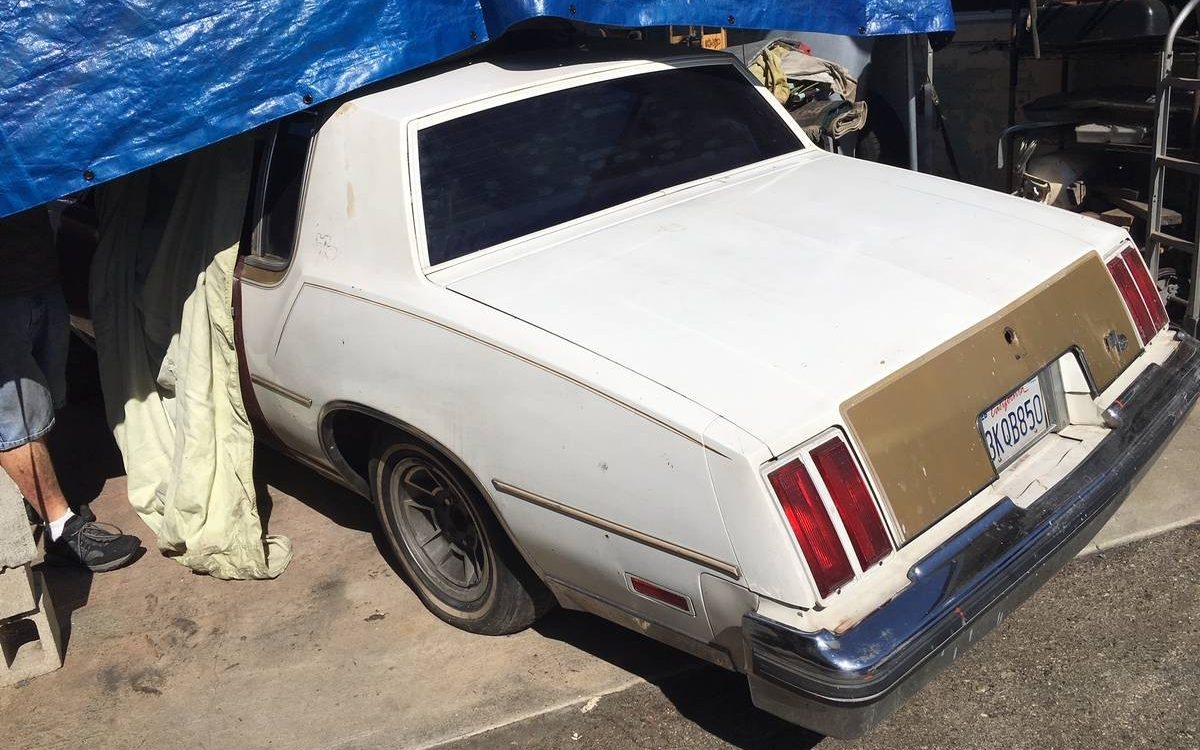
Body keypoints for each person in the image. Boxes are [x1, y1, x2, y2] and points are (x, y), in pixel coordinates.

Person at [0, 205, 139, 572]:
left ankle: (46, 508)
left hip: (38, 274)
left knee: (44, 405)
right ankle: (62, 529)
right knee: (15, 421)